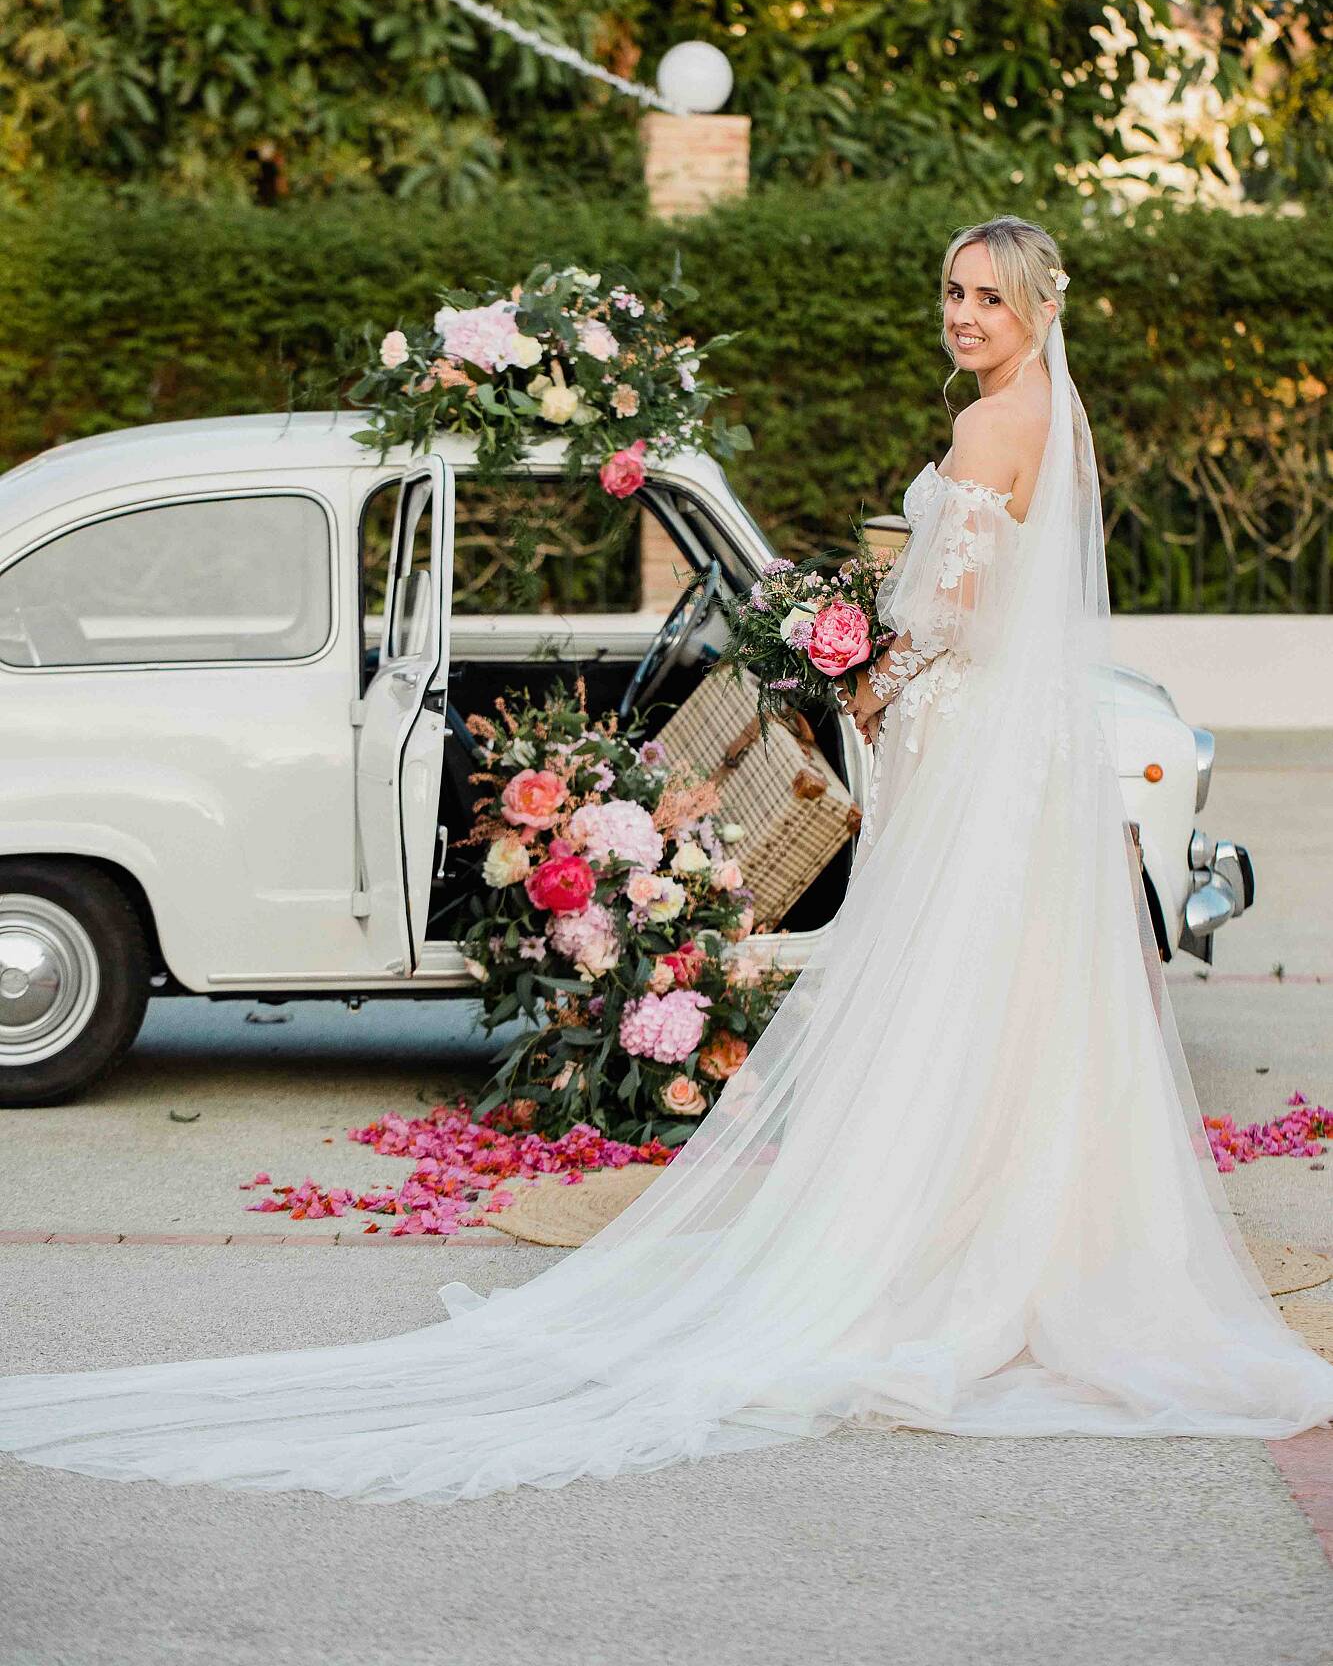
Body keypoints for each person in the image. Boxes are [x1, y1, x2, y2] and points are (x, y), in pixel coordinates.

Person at [2, 215, 1330, 1506]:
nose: (962, 314)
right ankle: (1019, 1232)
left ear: (1035, 305)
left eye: (984, 295)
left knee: (962, 984)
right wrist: (860, 649)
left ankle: (954, 1227)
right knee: (1008, 993)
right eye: (950, 292)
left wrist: (871, 657)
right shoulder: (1033, 418)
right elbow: (971, 598)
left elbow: (954, 606)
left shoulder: (993, 422)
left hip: (964, 726)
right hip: (1003, 743)